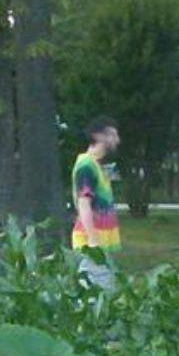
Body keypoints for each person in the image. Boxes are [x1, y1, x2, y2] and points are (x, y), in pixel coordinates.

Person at [71, 118, 122, 291]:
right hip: (92, 245)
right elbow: (84, 204)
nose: (117, 140)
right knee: (99, 295)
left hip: (100, 244)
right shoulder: (86, 165)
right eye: (112, 134)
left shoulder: (97, 166)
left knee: (103, 292)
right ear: (98, 136)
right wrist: (93, 242)